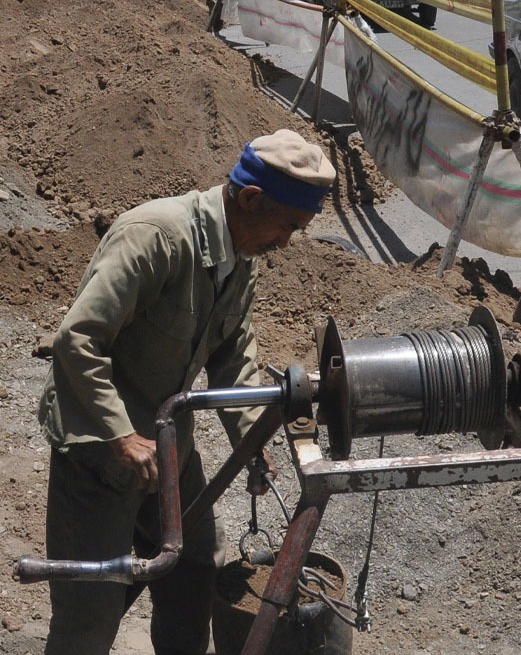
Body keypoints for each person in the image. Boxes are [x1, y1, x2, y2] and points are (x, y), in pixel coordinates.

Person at [38, 129, 337, 655]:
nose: (286, 243)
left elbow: (233, 361)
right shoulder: (155, 237)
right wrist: (122, 436)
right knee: (93, 603)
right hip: (100, 454)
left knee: (195, 567)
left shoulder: (241, 259)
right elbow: (77, 339)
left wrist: (251, 438)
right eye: (287, 226)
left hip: (169, 448)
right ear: (250, 199)